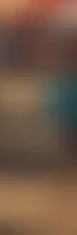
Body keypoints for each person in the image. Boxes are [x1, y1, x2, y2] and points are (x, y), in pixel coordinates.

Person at [46, 37, 77, 181]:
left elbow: (59, 94)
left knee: (68, 146)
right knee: (68, 145)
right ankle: (67, 172)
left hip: (67, 116)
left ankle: (67, 172)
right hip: (67, 117)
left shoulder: (65, 73)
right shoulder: (65, 74)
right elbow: (59, 93)